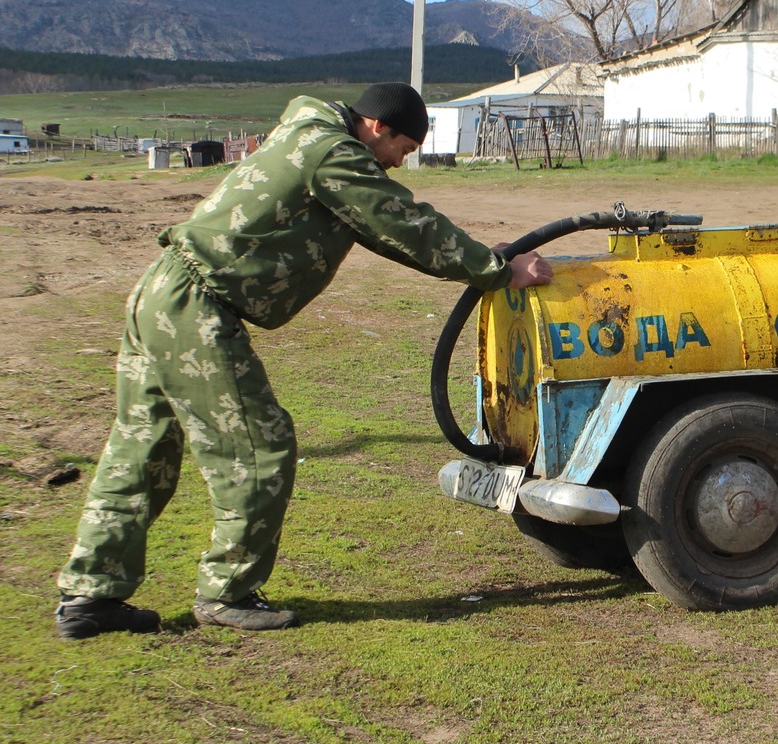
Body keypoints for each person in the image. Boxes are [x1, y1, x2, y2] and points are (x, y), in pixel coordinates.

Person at [55, 83, 552, 638]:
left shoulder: (308, 137)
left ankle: (90, 595)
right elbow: (400, 222)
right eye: (403, 150)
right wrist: (497, 267)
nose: (398, 164)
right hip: (196, 305)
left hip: (162, 292)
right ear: (376, 128)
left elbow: (382, 231)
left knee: (142, 446)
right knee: (259, 444)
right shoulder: (332, 153)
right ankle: (228, 591)